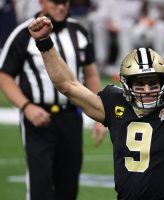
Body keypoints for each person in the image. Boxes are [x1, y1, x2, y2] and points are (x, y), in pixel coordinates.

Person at [28, 3, 164, 199]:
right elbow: (68, 86)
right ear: (126, 84)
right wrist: (45, 43)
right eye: (139, 84)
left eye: (153, 83)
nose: (147, 90)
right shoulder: (115, 104)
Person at [0, 0, 106, 199]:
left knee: (68, 186)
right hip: (38, 119)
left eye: (64, 2)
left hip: (71, 117)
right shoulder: (24, 33)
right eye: (55, 2)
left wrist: (100, 114)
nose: (61, 7)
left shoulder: (79, 31)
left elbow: (91, 74)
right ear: (41, 1)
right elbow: (4, 75)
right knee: (40, 186)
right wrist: (26, 106)